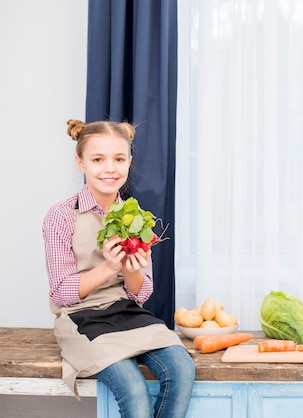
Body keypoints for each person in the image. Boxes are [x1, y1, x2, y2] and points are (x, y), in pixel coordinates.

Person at [43, 119, 195, 418]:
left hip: (125, 311)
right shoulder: (61, 216)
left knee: (181, 368)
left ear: (129, 162)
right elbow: (61, 293)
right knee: (134, 391)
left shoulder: (135, 216)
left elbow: (141, 294)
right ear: (80, 162)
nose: (109, 168)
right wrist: (108, 266)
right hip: (81, 317)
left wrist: (131, 270)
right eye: (97, 159)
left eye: (119, 159)